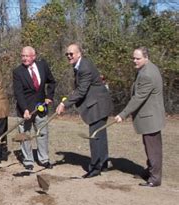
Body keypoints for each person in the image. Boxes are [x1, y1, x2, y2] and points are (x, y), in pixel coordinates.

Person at [55, 43, 113, 178]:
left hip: (98, 105)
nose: (69, 56)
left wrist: (65, 104)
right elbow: (82, 87)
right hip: (99, 103)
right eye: (67, 54)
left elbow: (81, 91)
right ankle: (102, 164)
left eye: (71, 54)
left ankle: (94, 168)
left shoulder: (84, 67)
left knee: (95, 136)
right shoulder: (79, 66)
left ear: (79, 53)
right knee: (100, 135)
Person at [114, 47, 165, 187]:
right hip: (151, 116)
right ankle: (149, 171)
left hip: (151, 117)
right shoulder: (148, 68)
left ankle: (155, 178)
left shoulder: (147, 74)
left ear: (146, 57)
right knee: (149, 147)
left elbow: (138, 98)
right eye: (134, 58)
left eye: (138, 58)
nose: (134, 61)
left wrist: (122, 115)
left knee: (153, 149)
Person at [12, 46, 56, 170]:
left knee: (42, 133)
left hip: (41, 107)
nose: (24, 58)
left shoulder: (43, 66)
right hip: (25, 109)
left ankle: (44, 159)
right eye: (22, 56)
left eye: (27, 56)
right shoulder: (18, 72)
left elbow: (52, 82)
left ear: (34, 57)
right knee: (25, 135)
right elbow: (18, 93)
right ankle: (28, 161)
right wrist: (25, 109)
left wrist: (49, 96)